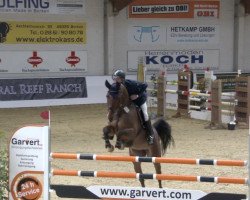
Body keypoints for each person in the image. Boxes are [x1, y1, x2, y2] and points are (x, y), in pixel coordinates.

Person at [112, 69, 154, 145]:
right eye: (114, 78)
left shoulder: (130, 83)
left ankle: (150, 135)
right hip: (130, 103)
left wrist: (137, 95)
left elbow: (145, 85)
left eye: (117, 78)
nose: (115, 80)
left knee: (145, 115)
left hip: (140, 100)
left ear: (122, 79)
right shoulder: (116, 86)